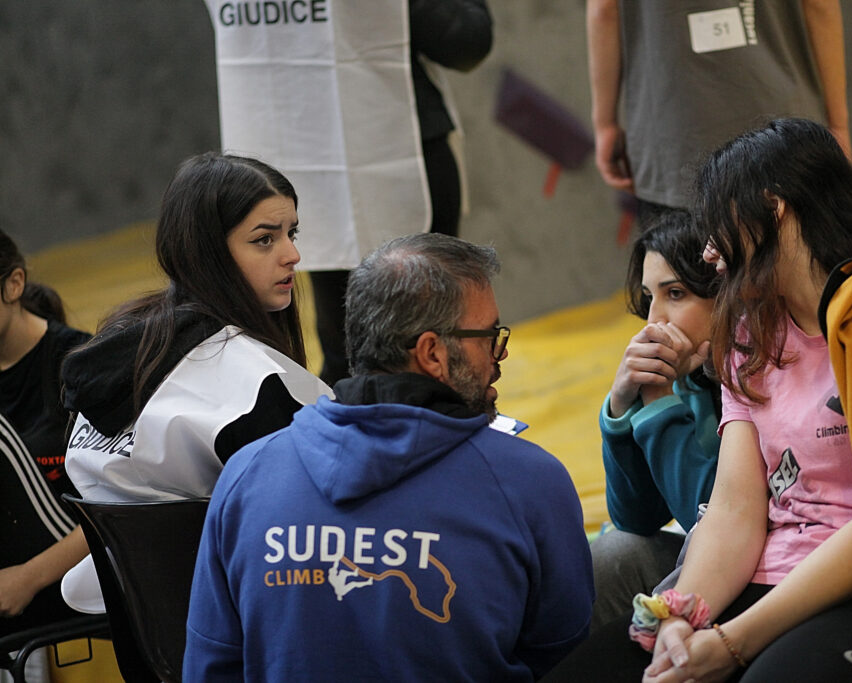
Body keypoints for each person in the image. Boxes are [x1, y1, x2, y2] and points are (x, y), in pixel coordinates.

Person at [543, 118, 852, 682]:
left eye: (716, 225)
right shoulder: (750, 334)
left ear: (772, 212)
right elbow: (733, 511)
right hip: (766, 575)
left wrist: (731, 642)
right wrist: (680, 614)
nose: (707, 252)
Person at [184, 233, 595, 682]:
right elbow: (563, 652)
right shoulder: (530, 482)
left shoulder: (248, 473)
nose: (498, 357)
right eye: (489, 336)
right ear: (433, 353)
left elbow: (211, 663)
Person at [59, 153, 332, 611]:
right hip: (242, 621)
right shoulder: (255, 384)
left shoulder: (117, 342)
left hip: (145, 623)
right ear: (207, 253)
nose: (293, 255)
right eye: (265, 239)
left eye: (292, 233)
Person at [203, 0, 493, 384]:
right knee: (347, 350)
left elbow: (467, 39)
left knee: (429, 336)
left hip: (393, 149)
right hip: (300, 151)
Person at [586, 0, 851, 226]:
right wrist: (838, 124)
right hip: (787, 129)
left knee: (695, 280)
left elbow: (604, 10)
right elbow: (819, 5)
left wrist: (605, 123)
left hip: (674, 144)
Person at [590, 211, 721, 630]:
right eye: (649, 297)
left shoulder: (760, 377)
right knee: (604, 557)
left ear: (729, 289)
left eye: (676, 293)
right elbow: (637, 520)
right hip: (711, 559)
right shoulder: (693, 372)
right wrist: (621, 408)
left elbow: (709, 519)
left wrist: (659, 402)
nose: (654, 320)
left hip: (763, 568)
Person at [0, 229, 90, 642]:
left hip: (75, 577)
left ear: (13, 284)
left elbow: (127, 501)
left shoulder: (82, 364)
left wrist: (28, 578)